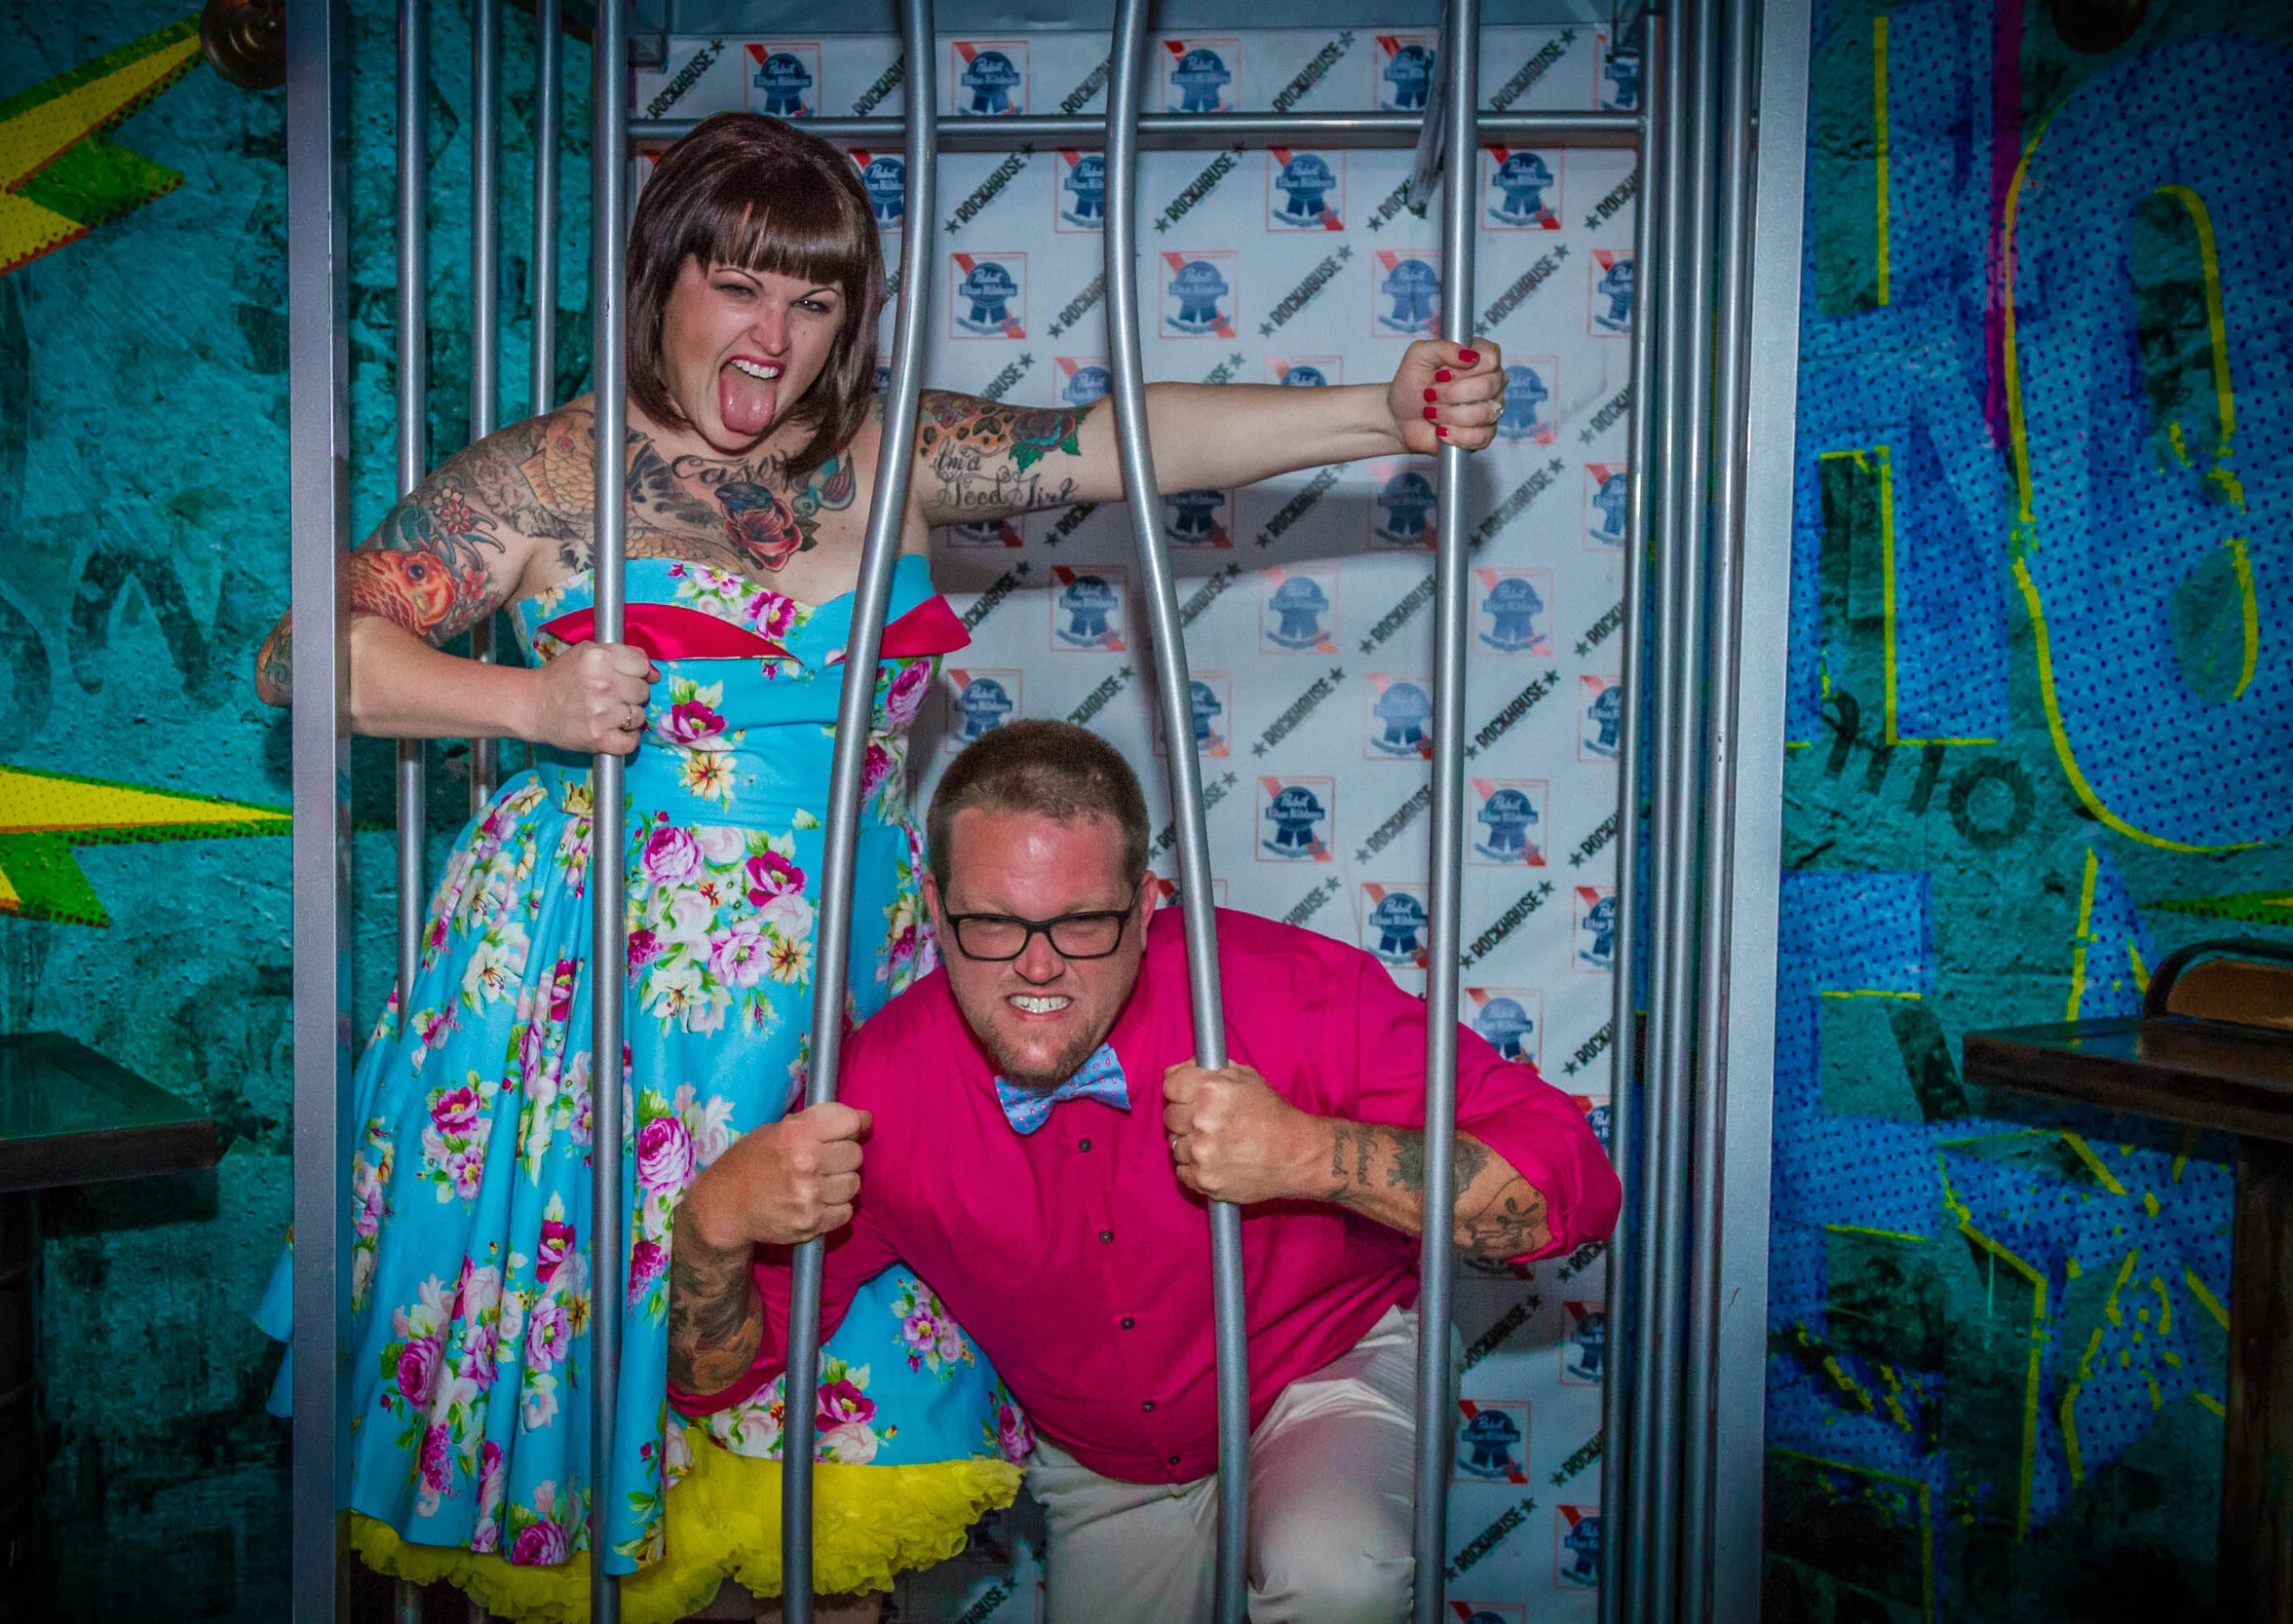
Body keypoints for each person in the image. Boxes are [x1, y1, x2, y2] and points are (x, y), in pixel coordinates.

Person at [250, 111, 1512, 1619]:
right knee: (598, 1417)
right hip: (596, 1003)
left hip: (847, 988)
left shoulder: (889, 450)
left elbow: (1111, 442)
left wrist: (1379, 410)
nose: (772, 337)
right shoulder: (543, 476)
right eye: (736, 286)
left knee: (838, 1437)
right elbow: (300, 653)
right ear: (660, 280)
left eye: (814, 300)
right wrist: (522, 704)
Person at [664, 721, 1623, 1623]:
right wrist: (711, 1224)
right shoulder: (882, 1087)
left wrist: (1304, 1153)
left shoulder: (1286, 991)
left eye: (1082, 922)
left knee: (1334, 1568)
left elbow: (1570, 1183)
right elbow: (715, 1375)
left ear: (1150, 902)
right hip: (1107, 1463)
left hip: (1323, 1369)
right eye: (992, 922)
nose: (1038, 967)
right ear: (937, 906)